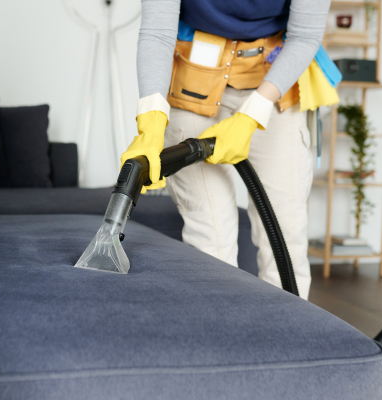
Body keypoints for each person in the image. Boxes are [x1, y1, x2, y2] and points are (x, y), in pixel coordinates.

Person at [121, 0, 333, 299]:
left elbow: (305, 36)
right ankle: (220, 340)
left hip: (275, 81)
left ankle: (287, 340)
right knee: (211, 243)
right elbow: (157, 32)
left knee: (285, 241)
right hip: (192, 84)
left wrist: (252, 115)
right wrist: (151, 120)